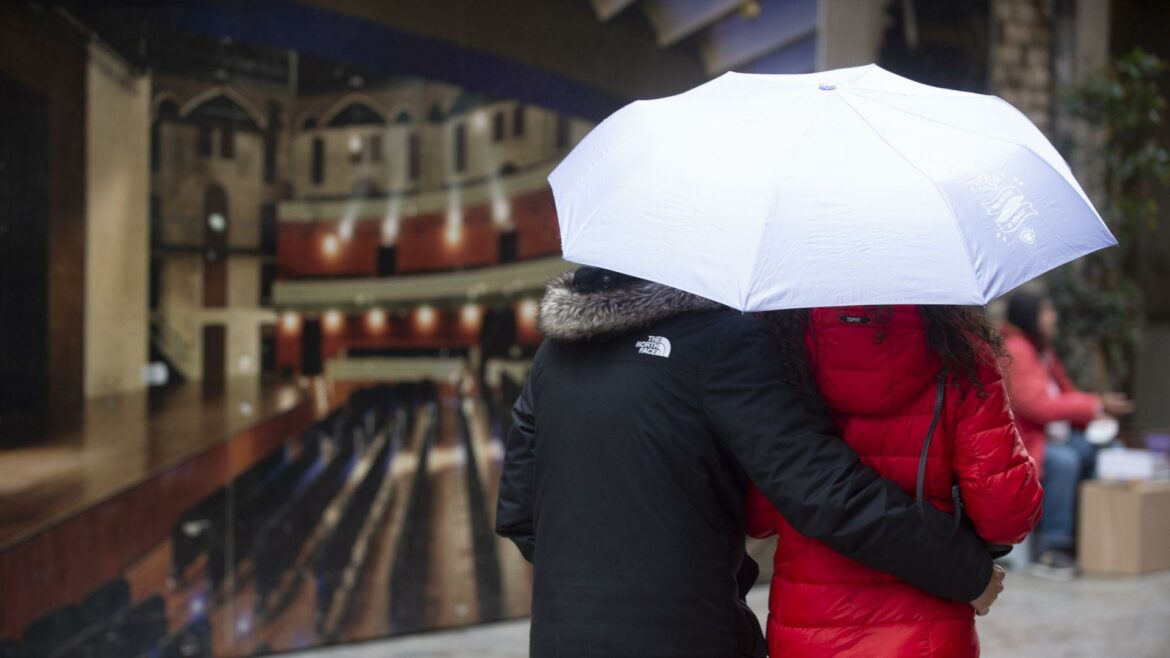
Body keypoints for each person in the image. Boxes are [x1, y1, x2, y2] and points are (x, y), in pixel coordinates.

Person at [496, 269, 1005, 658]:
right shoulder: (719, 341)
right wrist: (966, 572)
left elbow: (519, 514)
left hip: (560, 639)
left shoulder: (554, 355)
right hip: (688, 635)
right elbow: (822, 490)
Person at [746, 305, 1042, 658]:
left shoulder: (778, 354)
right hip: (929, 633)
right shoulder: (961, 352)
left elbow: (758, 517)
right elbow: (1006, 515)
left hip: (810, 631)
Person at [1002, 291, 1135, 580]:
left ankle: (1090, 540)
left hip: (1054, 434)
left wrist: (1094, 408)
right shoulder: (1016, 349)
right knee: (1064, 462)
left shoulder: (1042, 350)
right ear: (1030, 316)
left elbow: (1065, 393)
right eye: (1047, 311)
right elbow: (1037, 406)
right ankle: (1052, 550)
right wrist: (1093, 405)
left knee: (1105, 449)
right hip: (1029, 441)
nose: (1054, 317)